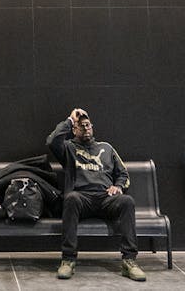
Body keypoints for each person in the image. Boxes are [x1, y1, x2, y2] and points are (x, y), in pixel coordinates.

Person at [46, 108, 145, 282]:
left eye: (88, 124)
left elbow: (123, 174)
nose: (85, 127)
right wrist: (70, 119)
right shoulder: (69, 147)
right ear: (74, 130)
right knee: (70, 198)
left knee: (127, 201)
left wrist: (118, 187)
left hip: (105, 199)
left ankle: (129, 260)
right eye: (80, 125)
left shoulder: (106, 148)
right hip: (81, 199)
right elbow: (52, 141)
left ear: (92, 127)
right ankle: (68, 259)